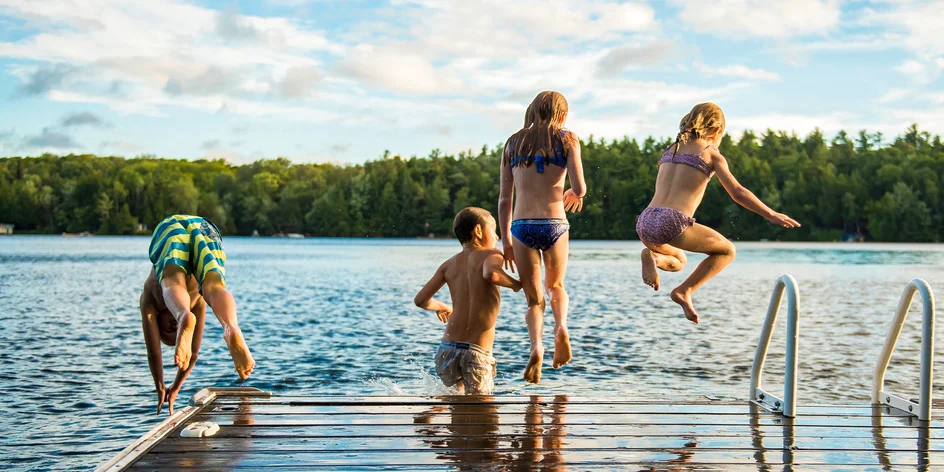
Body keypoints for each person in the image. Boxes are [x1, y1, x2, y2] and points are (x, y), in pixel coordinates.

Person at [637, 102, 800, 323]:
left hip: (646, 219)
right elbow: (738, 192)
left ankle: (655, 258)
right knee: (727, 251)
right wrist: (770, 214)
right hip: (672, 220)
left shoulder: (671, 149)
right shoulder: (710, 153)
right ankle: (684, 291)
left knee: (679, 260)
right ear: (715, 130)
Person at [498, 91, 586, 384]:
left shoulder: (513, 142)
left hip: (521, 225)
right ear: (561, 114)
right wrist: (574, 194)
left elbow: (503, 200)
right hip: (555, 223)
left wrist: (507, 242)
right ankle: (561, 328)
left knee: (534, 300)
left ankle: (536, 346)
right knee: (556, 286)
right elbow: (580, 187)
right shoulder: (568, 139)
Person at [140, 215, 255, 414]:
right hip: (203, 226)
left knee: (172, 281)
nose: (174, 328)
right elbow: (192, 354)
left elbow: (153, 352)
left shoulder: (149, 300)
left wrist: (160, 384)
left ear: (157, 321)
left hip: (170, 228)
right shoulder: (197, 302)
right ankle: (230, 327)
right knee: (213, 286)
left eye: (169, 330)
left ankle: (184, 314)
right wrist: (175, 387)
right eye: (177, 330)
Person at [414, 207, 521, 394]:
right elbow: (491, 274)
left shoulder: (448, 264)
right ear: (478, 231)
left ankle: (435, 411)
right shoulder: (491, 254)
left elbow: (421, 300)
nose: (497, 237)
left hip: (447, 350)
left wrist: (443, 306)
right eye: (493, 230)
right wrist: (517, 284)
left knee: (456, 401)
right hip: (476, 352)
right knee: (482, 413)